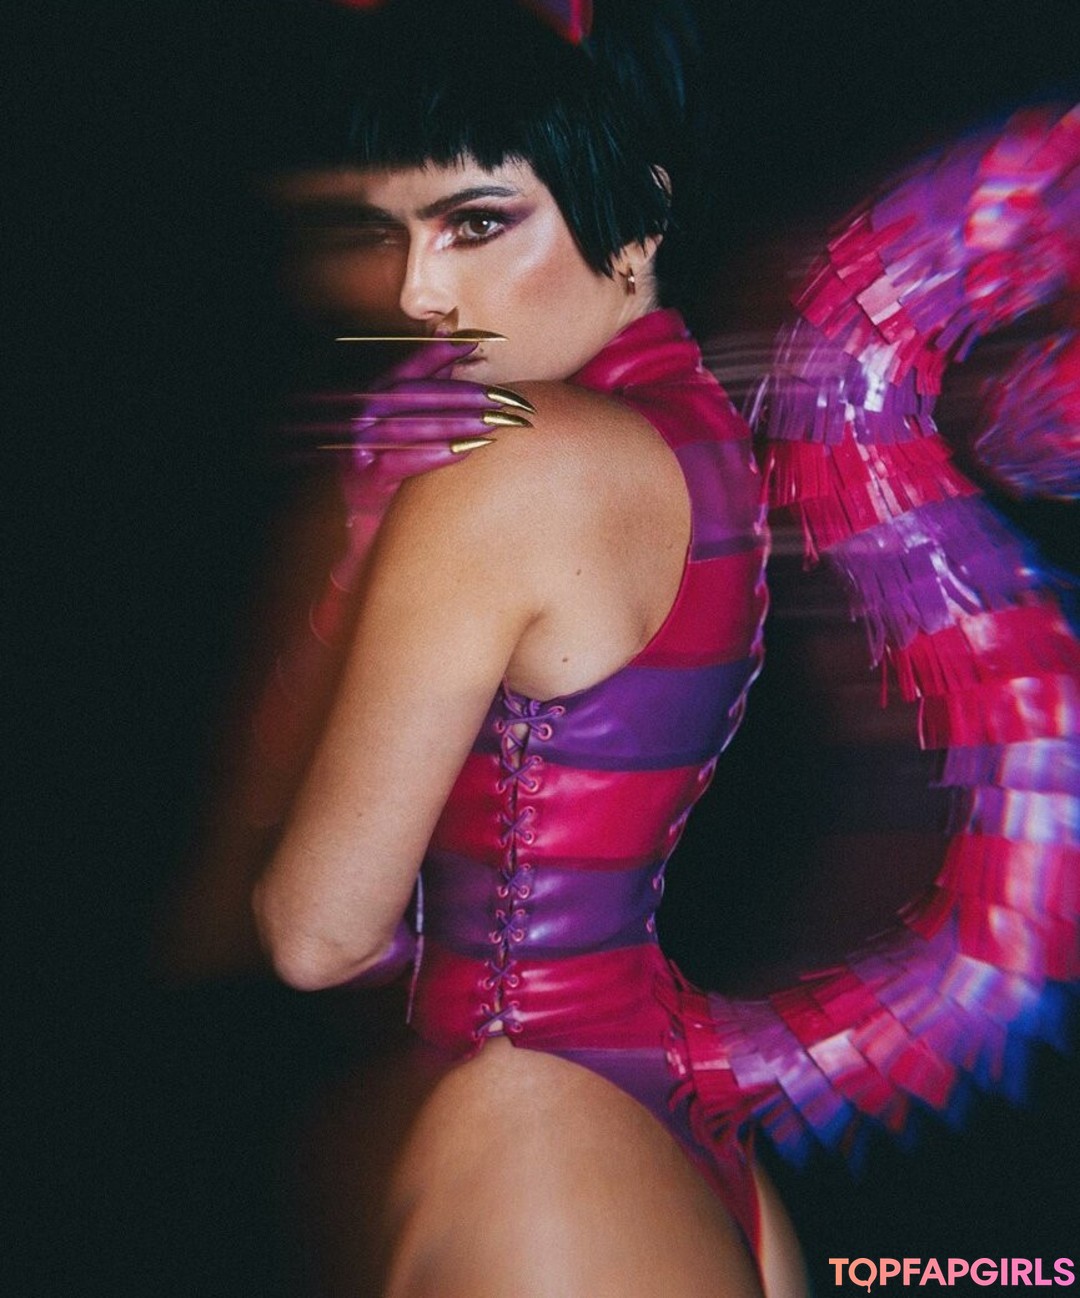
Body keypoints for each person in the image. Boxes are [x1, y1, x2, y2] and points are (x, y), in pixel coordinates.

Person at [174, 3, 1078, 1294]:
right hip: (660, 1122)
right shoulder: (699, 440)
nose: (418, 292)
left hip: (529, 1126)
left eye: (476, 223)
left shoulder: (507, 471)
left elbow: (317, 932)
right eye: (390, 232)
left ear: (639, 216)